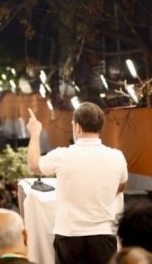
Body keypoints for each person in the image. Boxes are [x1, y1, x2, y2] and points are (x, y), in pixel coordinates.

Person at [26, 102, 128, 264]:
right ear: (100, 128)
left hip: (69, 235)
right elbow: (122, 186)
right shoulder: (117, 157)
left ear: (78, 127)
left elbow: (34, 165)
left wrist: (35, 133)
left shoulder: (62, 156)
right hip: (103, 235)